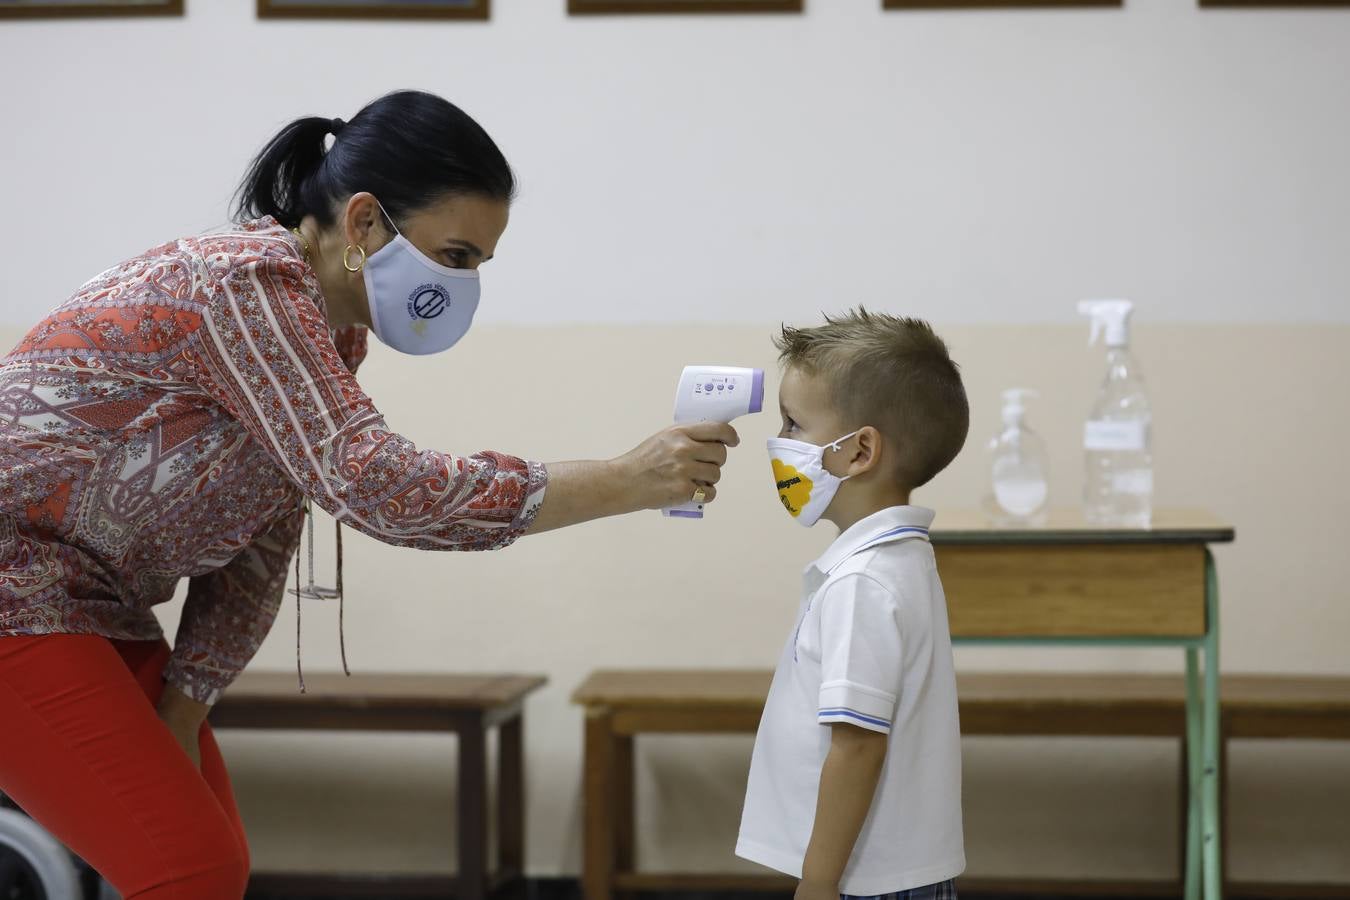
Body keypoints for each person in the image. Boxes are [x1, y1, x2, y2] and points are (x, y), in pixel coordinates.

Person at [0, 89, 737, 900]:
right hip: (17, 583)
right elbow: (380, 487)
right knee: (188, 866)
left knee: (210, 860)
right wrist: (626, 479)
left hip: (89, 600)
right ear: (363, 224)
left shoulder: (330, 328)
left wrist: (184, 709)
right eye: (455, 255)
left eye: (480, 264)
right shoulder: (243, 287)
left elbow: (263, 536)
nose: (465, 284)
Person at [736, 309, 969, 900]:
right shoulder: (892, 563)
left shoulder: (864, 582)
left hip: (867, 882)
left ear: (860, 450)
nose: (781, 443)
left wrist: (818, 882)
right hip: (887, 874)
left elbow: (858, 744)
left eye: (794, 423)